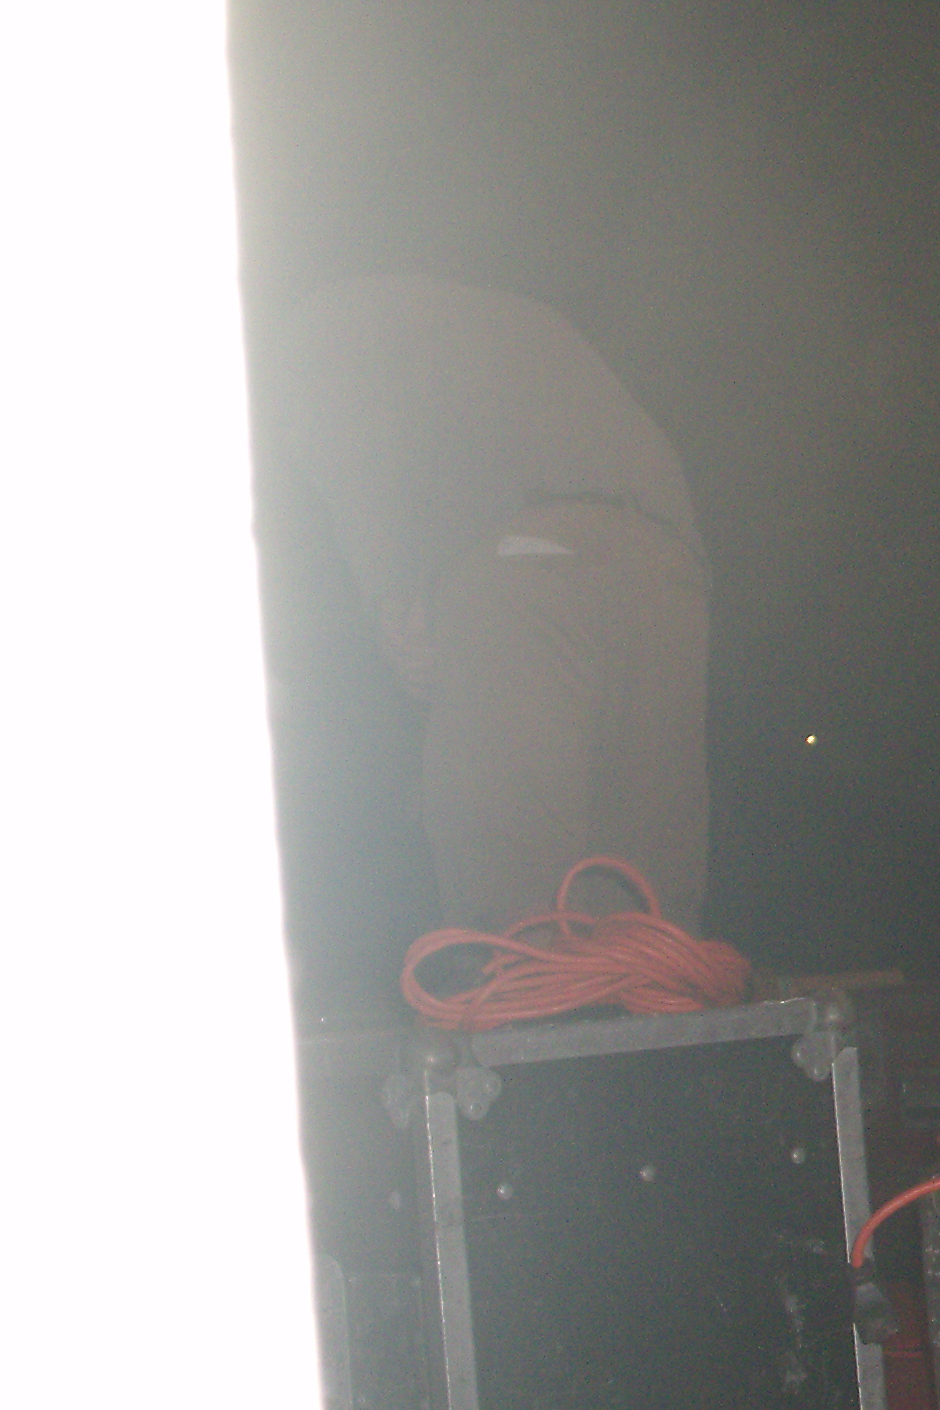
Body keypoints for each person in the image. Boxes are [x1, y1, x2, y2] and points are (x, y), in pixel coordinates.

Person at [259, 276, 711, 938]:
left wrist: (395, 602)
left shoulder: (309, 336)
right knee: (646, 899)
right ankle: (655, 991)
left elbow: (352, 446)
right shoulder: (511, 318)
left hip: (523, 565)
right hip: (669, 570)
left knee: (511, 895)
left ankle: (524, 983)